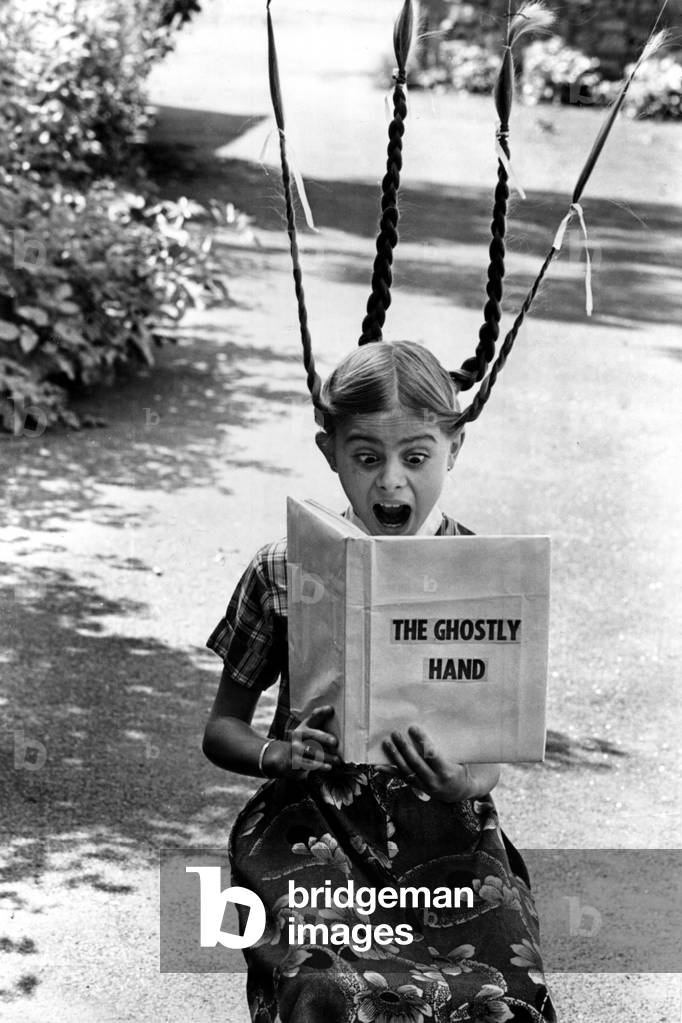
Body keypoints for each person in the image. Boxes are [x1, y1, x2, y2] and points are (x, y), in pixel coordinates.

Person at [203, 340, 556, 1023]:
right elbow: (222, 729)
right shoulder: (280, 569)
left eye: (416, 456)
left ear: (454, 448)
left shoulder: (484, 573)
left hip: (446, 834)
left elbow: (487, 760)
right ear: (329, 448)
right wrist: (275, 753)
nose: (392, 482)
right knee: (327, 988)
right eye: (367, 456)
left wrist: (465, 781)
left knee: (503, 992)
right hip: (311, 825)